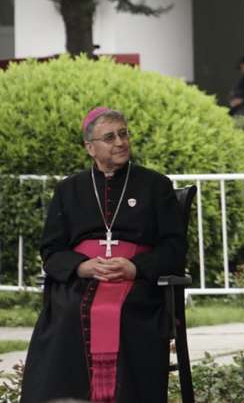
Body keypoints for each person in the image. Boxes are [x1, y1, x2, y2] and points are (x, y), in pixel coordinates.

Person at [21, 108, 186, 403]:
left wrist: (135, 268)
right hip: (82, 280)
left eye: (124, 134)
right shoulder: (69, 189)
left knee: (122, 311)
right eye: (109, 137)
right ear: (90, 148)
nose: (120, 142)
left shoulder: (155, 185)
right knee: (69, 312)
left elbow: (174, 247)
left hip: (136, 283)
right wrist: (81, 267)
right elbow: (51, 248)